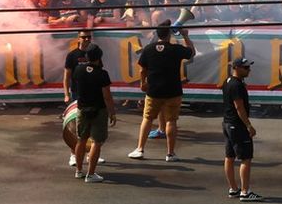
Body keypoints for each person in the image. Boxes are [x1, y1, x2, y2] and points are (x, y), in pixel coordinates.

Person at [128, 22, 194, 161]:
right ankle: (170, 153)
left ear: (157, 34)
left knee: (147, 119)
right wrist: (185, 36)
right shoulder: (176, 49)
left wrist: (142, 83)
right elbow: (191, 53)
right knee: (171, 121)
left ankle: (140, 149)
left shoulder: (149, 49)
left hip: (154, 91)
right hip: (173, 91)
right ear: (169, 34)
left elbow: (142, 69)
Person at [71, 44, 115, 184]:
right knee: (97, 141)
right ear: (99, 58)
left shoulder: (78, 70)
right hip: (99, 110)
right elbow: (107, 96)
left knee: (81, 140)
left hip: (82, 109)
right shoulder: (102, 74)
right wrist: (112, 112)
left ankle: (78, 170)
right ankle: (90, 174)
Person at [222, 57, 261, 202]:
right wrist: (249, 125)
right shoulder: (237, 85)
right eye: (246, 68)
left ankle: (233, 189)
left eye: (249, 67)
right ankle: (245, 192)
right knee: (246, 158)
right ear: (237, 68)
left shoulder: (228, 81)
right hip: (237, 126)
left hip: (227, 123)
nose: (249, 70)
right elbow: (239, 107)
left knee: (230, 157)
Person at [63, 29, 94, 167]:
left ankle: (91, 153)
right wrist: (66, 94)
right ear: (78, 38)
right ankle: (73, 154)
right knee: (75, 126)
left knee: (92, 124)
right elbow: (66, 76)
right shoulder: (72, 55)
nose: (87, 39)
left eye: (89, 37)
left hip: (91, 94)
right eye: (84, 37)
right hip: (77, 94)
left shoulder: (93, 55)